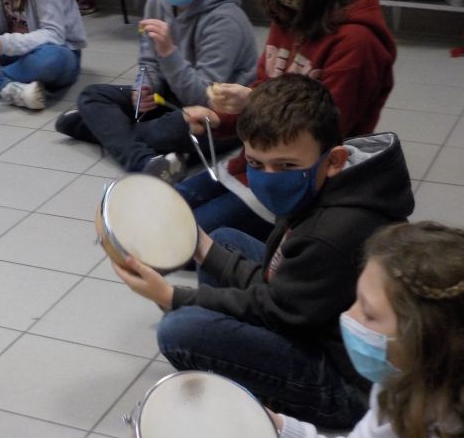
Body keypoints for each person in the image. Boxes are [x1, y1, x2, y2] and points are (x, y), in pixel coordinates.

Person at [114, 75, 413, 429]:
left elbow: (278, 308)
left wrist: (172, 296)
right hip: (313, 314)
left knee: (178, 330)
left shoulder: (332, 234)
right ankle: (243, 361)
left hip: (346, 386)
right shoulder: (327, 182)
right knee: (222, 239)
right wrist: (203, 248)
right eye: (255, 164)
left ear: (334, 160)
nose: (268, 177)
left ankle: (253, 388)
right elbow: (283, 289)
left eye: (285, 166)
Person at [176, 0, 396, 241]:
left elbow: (321, 130)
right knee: (168, 205)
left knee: (186, 237)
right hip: (258, 163)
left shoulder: (358, 42)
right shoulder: (292, 12)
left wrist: (252, 101)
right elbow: (266, 85)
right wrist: (220, 118)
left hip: (299, 183)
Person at [55, 0, 257, 181]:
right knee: (92, 94)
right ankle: (147, 158)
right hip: (173, 97)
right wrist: (144, 88)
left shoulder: (225, 19)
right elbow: (147, 61)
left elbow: (204, 98)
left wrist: (169, 51)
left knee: (161, 130)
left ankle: (106, 133)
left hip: (217, 115)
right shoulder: (156, 2)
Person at [272, 221, 464, 438]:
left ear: (428, 339)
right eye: (356, 300)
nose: (349, 316)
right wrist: (277, 426)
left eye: (369, 314)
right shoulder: (401, 383)